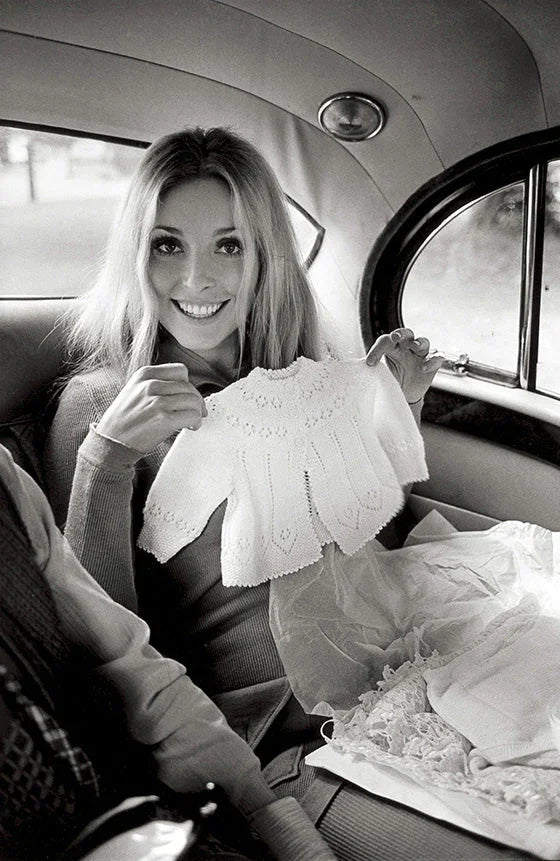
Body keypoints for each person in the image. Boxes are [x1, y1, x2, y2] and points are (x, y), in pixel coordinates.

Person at [44, 127, 444, 858]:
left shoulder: (306, 373)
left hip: (402, 680)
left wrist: (396, 409)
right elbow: (105, 651)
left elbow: (361, 550)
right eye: (168, 244)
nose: (195, 278)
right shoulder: (100, 406)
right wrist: (108, 458)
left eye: (227, 245)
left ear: (264, 255)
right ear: (136, 254)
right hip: (287, 749)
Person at [0, 442, 336, 859]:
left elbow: (134, 670)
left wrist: (275, 825)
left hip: (155, 812)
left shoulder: (4, 482)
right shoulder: (101, 404)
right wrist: (105, 463)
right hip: (280, 734)